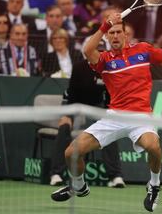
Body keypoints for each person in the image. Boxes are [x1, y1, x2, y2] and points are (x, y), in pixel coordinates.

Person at [50, 12, 162, 212]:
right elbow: (88, 49)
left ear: (126, 35)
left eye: (118, 32)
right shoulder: (103, 60)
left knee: (154, 146)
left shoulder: (143, 50)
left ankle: (154, 185)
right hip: (114, 117)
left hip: (141, 117)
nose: (114, 36)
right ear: (106, 37)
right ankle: (78, 185)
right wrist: (105, 25)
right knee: (71, 153)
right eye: (111, 33)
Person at [49, 58, 125, 188]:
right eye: (96, 50)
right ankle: (56, 174)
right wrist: (67, 115)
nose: (98, 54)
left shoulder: (108, 67)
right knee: (64, 126)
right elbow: (72, 91)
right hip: (75, 103)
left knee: (109, 128)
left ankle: (115, 176)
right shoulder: (79, 66)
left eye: (101, 51)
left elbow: (109, 95)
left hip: (97, 106)